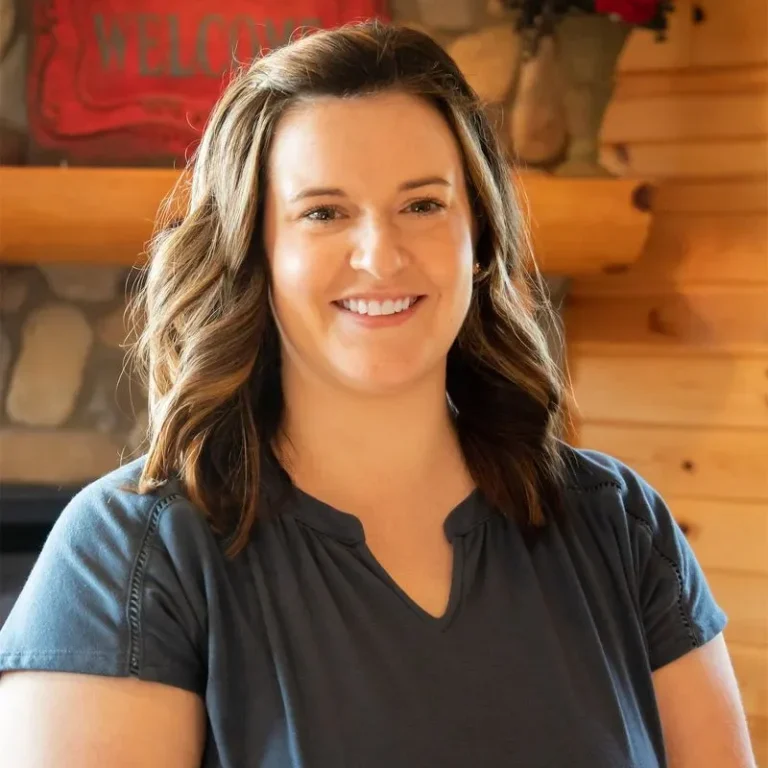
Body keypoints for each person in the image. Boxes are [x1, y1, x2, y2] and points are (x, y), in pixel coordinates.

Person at [0, 20, 756, 768]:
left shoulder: (619, 527)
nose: (381, 254)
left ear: (480, 237)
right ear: (254, 252)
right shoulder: (128, 558)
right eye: (323, 213)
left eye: (423, 205)